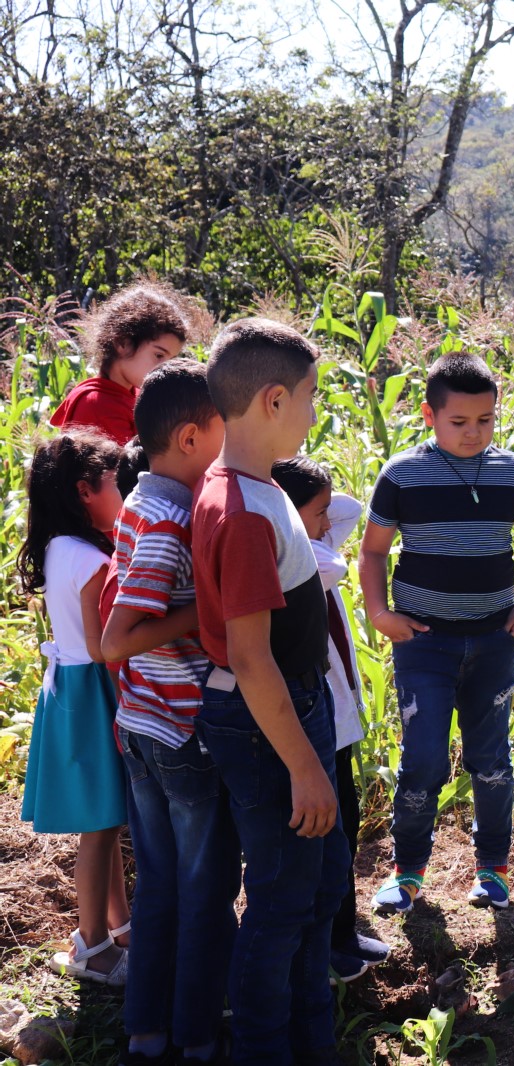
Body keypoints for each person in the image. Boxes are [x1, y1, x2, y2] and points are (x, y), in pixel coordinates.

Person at [190, 318, 347, 1066]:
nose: (316, 414)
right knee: (282, 904)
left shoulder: (251, 485)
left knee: (311, 897)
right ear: (275, 400)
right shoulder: (246, 510)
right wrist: (306, 767)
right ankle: (263, 1050)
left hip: (289, 713)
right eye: (312, 398)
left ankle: (313, 1041)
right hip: (269, 726)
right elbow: (252, 660)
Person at [361, 352, 514, 914]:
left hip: (495, 640)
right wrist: (379, 614)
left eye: (486, 420)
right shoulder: (402, 474)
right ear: (429, 415)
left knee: (490, 759)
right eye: (459, 422)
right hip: (424, 642)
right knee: (422, 758)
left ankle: (493, 869)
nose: (474, 433)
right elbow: (373, 554)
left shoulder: (511, 472)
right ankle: (408, 871)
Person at [100, 359, 236, 1065]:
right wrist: (205, 611)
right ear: (190, 437)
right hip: (180, 729)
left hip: (142, 724)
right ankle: (196, 1036)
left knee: (158, 883)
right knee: (205, 888)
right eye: (224, 427)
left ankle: (146, 1032)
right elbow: (117, 637)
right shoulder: (172, 513)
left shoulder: (143, 498)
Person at [17, 429, 131, 985]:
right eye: (117, 485)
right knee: (103, 828)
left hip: (67, 688)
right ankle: (92, 945)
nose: (126, 496)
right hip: (92, 693)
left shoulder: (63, 548)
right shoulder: (93, 560)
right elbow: (101, 646)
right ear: (86, 490)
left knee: (101, 821)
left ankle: (118, 927)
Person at [272, 456, 392, 982]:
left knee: (343, 830)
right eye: (316, 513)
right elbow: (335, 558)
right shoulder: (305, 561)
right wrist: (295, 520)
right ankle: (327, 949)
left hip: (338, 718)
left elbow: (348, 511)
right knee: (326, 839)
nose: (329, 522)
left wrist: (310, 506)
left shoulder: (312, 543)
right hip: (316, 722)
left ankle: (344, 933)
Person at [51, 283, 190, 445]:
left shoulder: (136, 394)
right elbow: (126, 468)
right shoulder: (97, 404)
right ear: (123, 343)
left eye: (171, 359)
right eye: (158, 355)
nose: (166, 367)